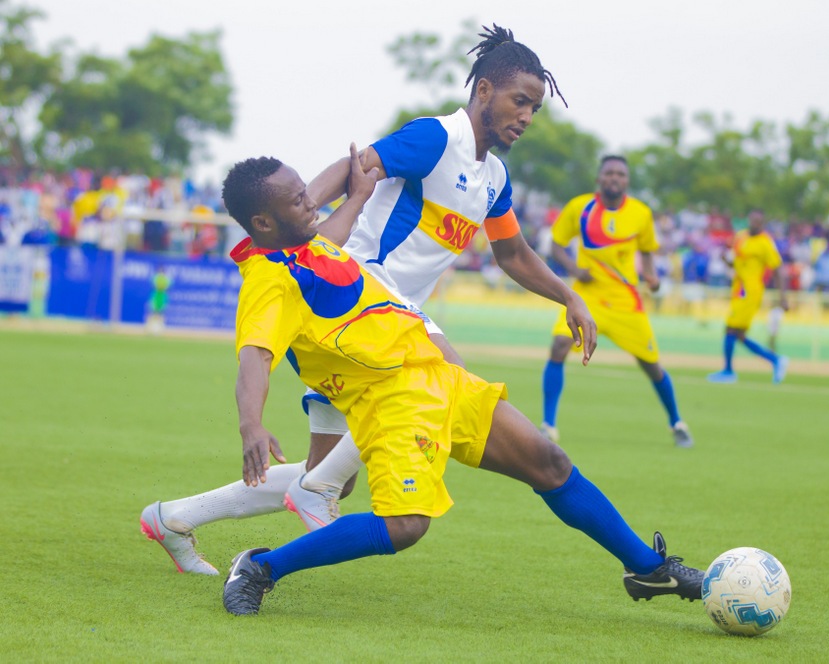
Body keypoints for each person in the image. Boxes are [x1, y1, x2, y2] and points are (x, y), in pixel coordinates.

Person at [141, 25, 600, 571]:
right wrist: (296, 236)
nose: (526, 115)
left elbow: (514, 253)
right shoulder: (437, 138)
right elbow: (354, 168)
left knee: (333, 475)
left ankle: (173, 518)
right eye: (520, 101)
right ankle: (309, 496)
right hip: (360, 291)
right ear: (484, 91)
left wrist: (568, 297)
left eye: (534, 107)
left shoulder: (493, 178)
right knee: (445, 378)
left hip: (379, 327)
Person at [218, 155, 704, 616]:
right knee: (405, 526)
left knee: (549, 463)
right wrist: (251, 424)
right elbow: (255, 357)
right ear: (263, 222)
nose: (312, 201)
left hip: (439, 376)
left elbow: (334, 235)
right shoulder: (268, 283)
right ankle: (261, 568)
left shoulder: (305, 243)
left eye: (306, 192)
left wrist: (359, 197)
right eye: (298, 199)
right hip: (392, 403)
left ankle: (650, 570)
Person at [539, 156, 694, 448]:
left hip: (625, 301)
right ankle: (548, 426)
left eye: (620, 174)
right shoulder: (580, 207)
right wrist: (574, 270)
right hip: (587, 297)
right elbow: (556, 245)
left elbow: (647, 251)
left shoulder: (640, 213)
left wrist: (651, 276)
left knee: (651, 365)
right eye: (609, 172)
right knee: (559, 345)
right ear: (599, 178)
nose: (614, 177)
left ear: (627, 180)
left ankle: (677, 423)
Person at [707, 209, 788, 384]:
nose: (754, 224)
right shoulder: (741, 237)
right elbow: (736, 264)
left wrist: (783, 297)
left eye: (758, 222)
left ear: (762, 224)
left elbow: (778, 270)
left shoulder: (765, 243)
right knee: (739, 335)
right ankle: (775, 360)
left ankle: (728, 371)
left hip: (750, 292)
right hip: (738, 289)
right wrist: (725, 260)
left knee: (730, 329)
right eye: (752, 221)